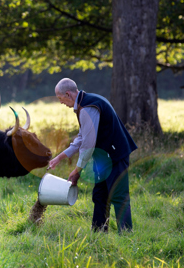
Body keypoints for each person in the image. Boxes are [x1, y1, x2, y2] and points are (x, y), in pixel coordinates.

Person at [48, 78, 137, 233]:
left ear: (68, 94)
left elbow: (88, 144)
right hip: (104, 157)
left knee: (119, 196)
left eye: (60, 98)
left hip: (115, 154)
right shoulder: (85, 102)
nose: (61, 102)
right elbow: (82, 137)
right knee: (100, 195)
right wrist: (60, 157)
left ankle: (127, 236)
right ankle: (98, 234)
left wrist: (77, 171)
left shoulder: (88, 107)